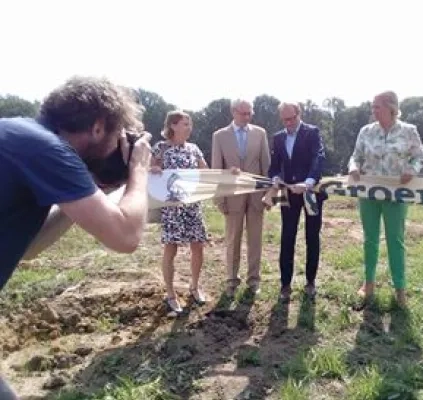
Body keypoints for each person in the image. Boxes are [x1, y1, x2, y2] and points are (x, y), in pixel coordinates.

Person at [0, 76, 151, 399]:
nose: (117, 149)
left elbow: (28, 248)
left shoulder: (21, 136)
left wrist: (90, 193)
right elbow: (126, 236)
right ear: (98, 127)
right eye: (117, 137)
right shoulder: (49, 150)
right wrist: (138, 171)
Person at [348, 90, 423, 308]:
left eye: (377, 106)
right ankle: (369, 284)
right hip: (369, 193)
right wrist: (354, 168)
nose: (373, 110)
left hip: (396, 193)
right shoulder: (366, 132)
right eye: (372, 107)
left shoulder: (409, 131)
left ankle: (400, 288)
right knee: (370, 239)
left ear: (391, 108)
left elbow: (420, 156)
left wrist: (412, 169)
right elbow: (356, 156)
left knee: (396, 240)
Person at [150, 110, 209, 314]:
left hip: (193, 206)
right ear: (173, 126)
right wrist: (155, 169)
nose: (189, 127)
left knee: (198, 246)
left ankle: (194, 286)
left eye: (189, 124)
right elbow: (150, 170)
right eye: (185, 123)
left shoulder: (194, 149)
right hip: (172, 208)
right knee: (171, 249)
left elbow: (206, 171)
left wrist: (229, 174)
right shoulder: (161, 148)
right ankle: (170, 294)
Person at [211, 99, 270, 297]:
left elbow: (266, 166)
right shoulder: (219, 136)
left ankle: (254, 280)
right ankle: (231, 280)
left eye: (249, 113)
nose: (247, 117)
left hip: (255, 197)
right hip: (231, 197)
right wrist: (219, 199)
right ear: (233, 112)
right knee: (232, 240)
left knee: (255, 240)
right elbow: (217, 170)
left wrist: (268, 194)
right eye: (243, 113)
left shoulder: (260, 134)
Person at [268, 101, 327, 302]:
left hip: (311, 193)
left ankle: (310, 281)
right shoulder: (278, 137)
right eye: (284, 119)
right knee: (287, 236)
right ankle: (285, 284)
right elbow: (274, 165)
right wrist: (275, 177)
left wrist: (309, 182)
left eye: (292, 118)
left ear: (299, 114)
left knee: (312, 236)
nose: (288, 123)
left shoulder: (312, 132)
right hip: (288, 193)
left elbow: (318, 157)